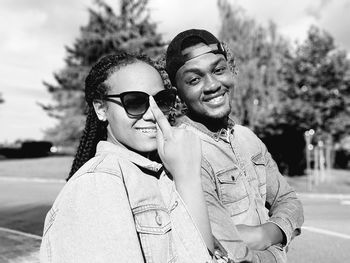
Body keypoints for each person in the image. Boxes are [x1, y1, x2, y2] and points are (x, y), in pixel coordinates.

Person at [40, 52, 238, 262]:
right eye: (134, 102)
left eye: (161, 100)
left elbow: (201, 253)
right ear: (101, 109)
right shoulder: (98, 183)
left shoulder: (164, 172)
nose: (153, 114)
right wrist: (187, 177)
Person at [165, 29, 304, 262]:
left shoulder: (247, 137)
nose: (212, 85)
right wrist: (273, 253)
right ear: (178, 94)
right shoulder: (184, 151)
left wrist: (267, 233)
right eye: (194, 79)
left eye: (218, 70)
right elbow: (223, 247)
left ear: (231, 71)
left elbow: (289, 200)